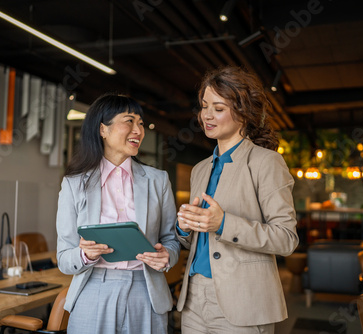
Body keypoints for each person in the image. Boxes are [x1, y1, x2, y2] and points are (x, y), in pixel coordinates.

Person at [175, 66, 299, 334]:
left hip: (244, 301)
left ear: (243, 113)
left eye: (218, 108)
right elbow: (195, 241)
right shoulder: (199, 169)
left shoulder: (267, 162)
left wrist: (223, 224)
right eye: (204, 106)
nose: (207, 115)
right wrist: (184, 227)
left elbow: (286, 239)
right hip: (194, 298)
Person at [56, 93, 180, 334]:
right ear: (103, 129)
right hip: (94, 288)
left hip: (146, 291)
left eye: (141, 123)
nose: (138, 130)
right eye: (129, 121)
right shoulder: (74, 184)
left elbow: (171, 240)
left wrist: (167, 255)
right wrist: (85, 255)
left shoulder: (158, 180)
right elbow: (64, 257)